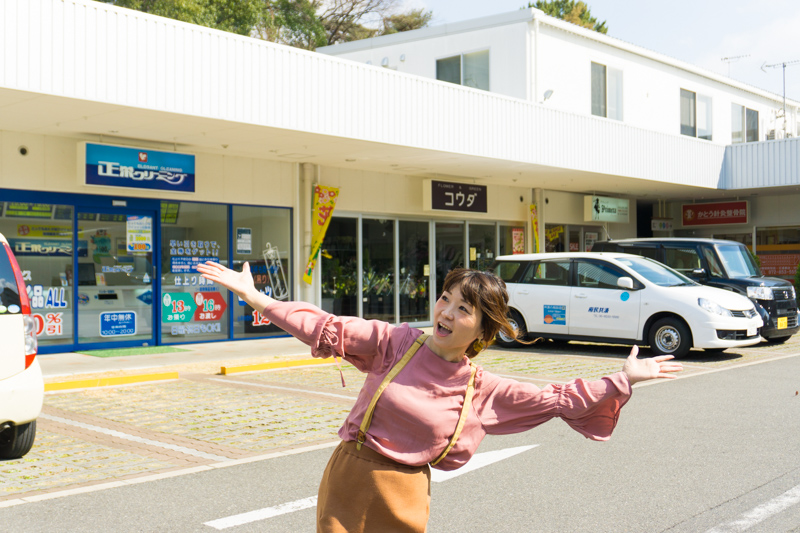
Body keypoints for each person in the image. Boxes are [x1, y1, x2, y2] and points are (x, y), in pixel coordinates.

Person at [197, 261, 682, 533]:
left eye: (463, 308)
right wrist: (258, 298)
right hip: (350, 474)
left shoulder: (482, 388)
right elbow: (325, 326)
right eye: (445, 298)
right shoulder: (396, 342)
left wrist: (623, 380)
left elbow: (554, 398)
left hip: (404, 493)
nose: (446, 312)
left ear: (483, 328)